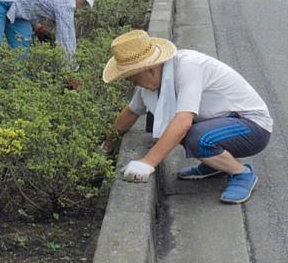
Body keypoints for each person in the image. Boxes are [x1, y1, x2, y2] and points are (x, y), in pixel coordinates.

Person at [101, 30, 272, 204]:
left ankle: (241, 173)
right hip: (224, 121)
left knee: (195, 137)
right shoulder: (153, 83)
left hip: (253, 126)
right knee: (163, 121)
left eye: (133, 78)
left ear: (150, 69)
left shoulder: (188, 66)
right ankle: (215, 164)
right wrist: (106, 147)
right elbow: (131, 113)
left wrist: (148, 162)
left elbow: (183, 122)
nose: (134, 83)